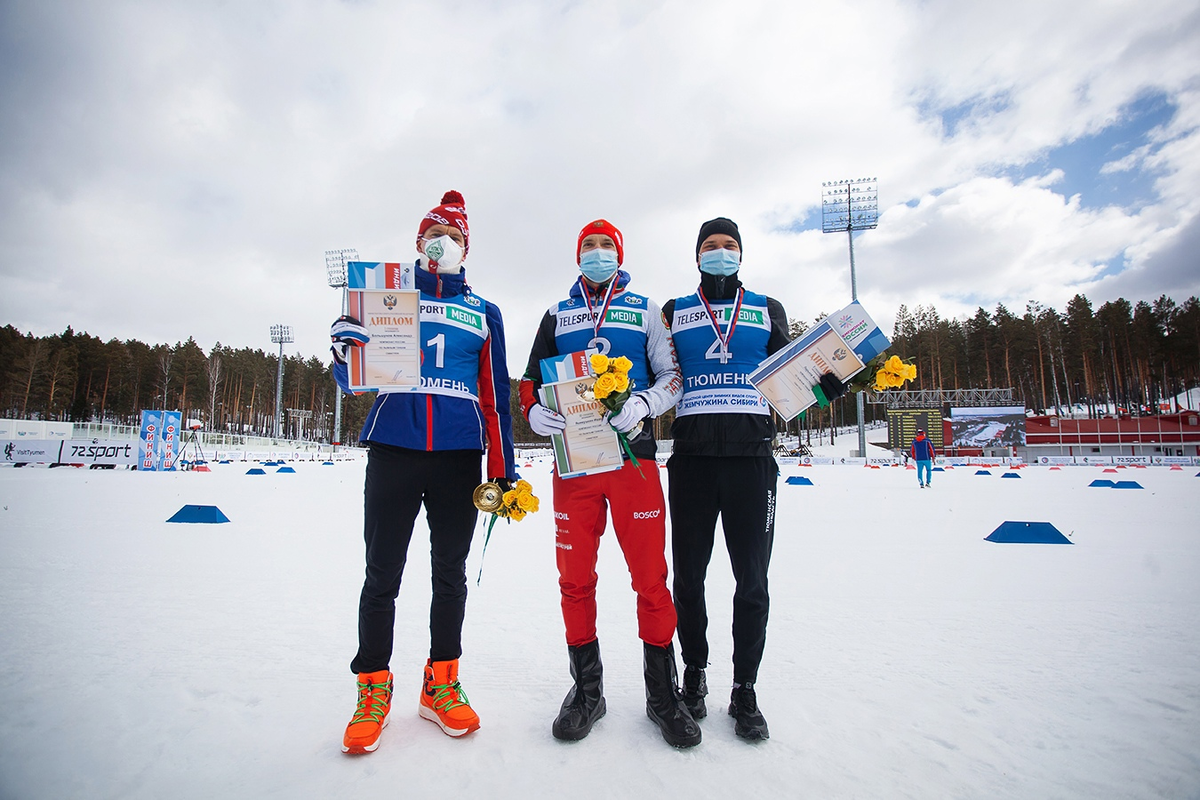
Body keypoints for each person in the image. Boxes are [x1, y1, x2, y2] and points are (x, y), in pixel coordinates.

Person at [330, 190, 517, 754]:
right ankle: (372, 688)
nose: (442, 244)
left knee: (450, 573)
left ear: (466, 247)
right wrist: (344, 353)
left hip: (459, 454)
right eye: (432, 236)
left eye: (453, 237)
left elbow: (496, 394)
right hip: (395, 445)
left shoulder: (485, 312)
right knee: (381, 572)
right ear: (418, 244)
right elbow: (352, 381)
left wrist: (502, 467)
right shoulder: (387, 295)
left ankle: (441, 682)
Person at [518, 219, 700, 748]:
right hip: (574, 464)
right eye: (588, 246)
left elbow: (674, 378)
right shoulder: (557, 313)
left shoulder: (645, 309)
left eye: (606, 246)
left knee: (649, 579)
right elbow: (530, 379)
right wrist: (532, 411)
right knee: (574, 579)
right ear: (578, 255)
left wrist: (644, 404)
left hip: (633, 462)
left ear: (619, 254)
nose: (597, 253)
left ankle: (662, 695)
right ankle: (587, 690)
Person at [663, 217, 845, 741]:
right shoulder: (675, 312)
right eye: (710, 246)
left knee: (753, 581)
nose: (720, 252)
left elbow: (793, 377)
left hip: (751, 461)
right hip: (693, 461)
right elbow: (660, 376)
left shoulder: (767, 309)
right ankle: (693, 674)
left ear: (742, 254)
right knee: (687, 578)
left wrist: (821, 388)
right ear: (696, 255)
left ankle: (745, 687)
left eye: (729, 246)